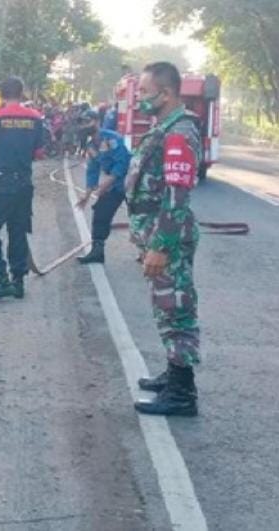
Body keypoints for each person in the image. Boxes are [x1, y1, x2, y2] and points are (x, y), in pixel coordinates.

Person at [126, 62, 202, 417]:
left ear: (166, 93)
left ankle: (182, 394)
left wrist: (160, 246)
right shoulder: (165, 128)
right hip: (157, 236)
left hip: (167, 241)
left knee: (177, 312)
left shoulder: (179, 133)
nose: (139, 98)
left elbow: (176, 195)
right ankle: (173, 375)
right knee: (166, 309)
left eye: (144, 91)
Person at [0, 76, 44, 303]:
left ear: (1, 94)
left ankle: (0, 280)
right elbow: (39, 153)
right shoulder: (35, 117)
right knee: (17, 231)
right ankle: (18, 282)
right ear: (22, 93)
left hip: (1, 183)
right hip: (24, 184)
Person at [74, 108, 131, 264]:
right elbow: (92, 170)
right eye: (82, 123)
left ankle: (149, 252)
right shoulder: (91, 145)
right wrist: (86, 196)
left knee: (140, 218)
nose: (84, 126)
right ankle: (97, 252)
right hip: (115, 185)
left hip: (131, 182)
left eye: (87, 122)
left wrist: (107, 183)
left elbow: (123, 163)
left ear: (97, 121)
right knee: (100, 212)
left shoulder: (112, 139)